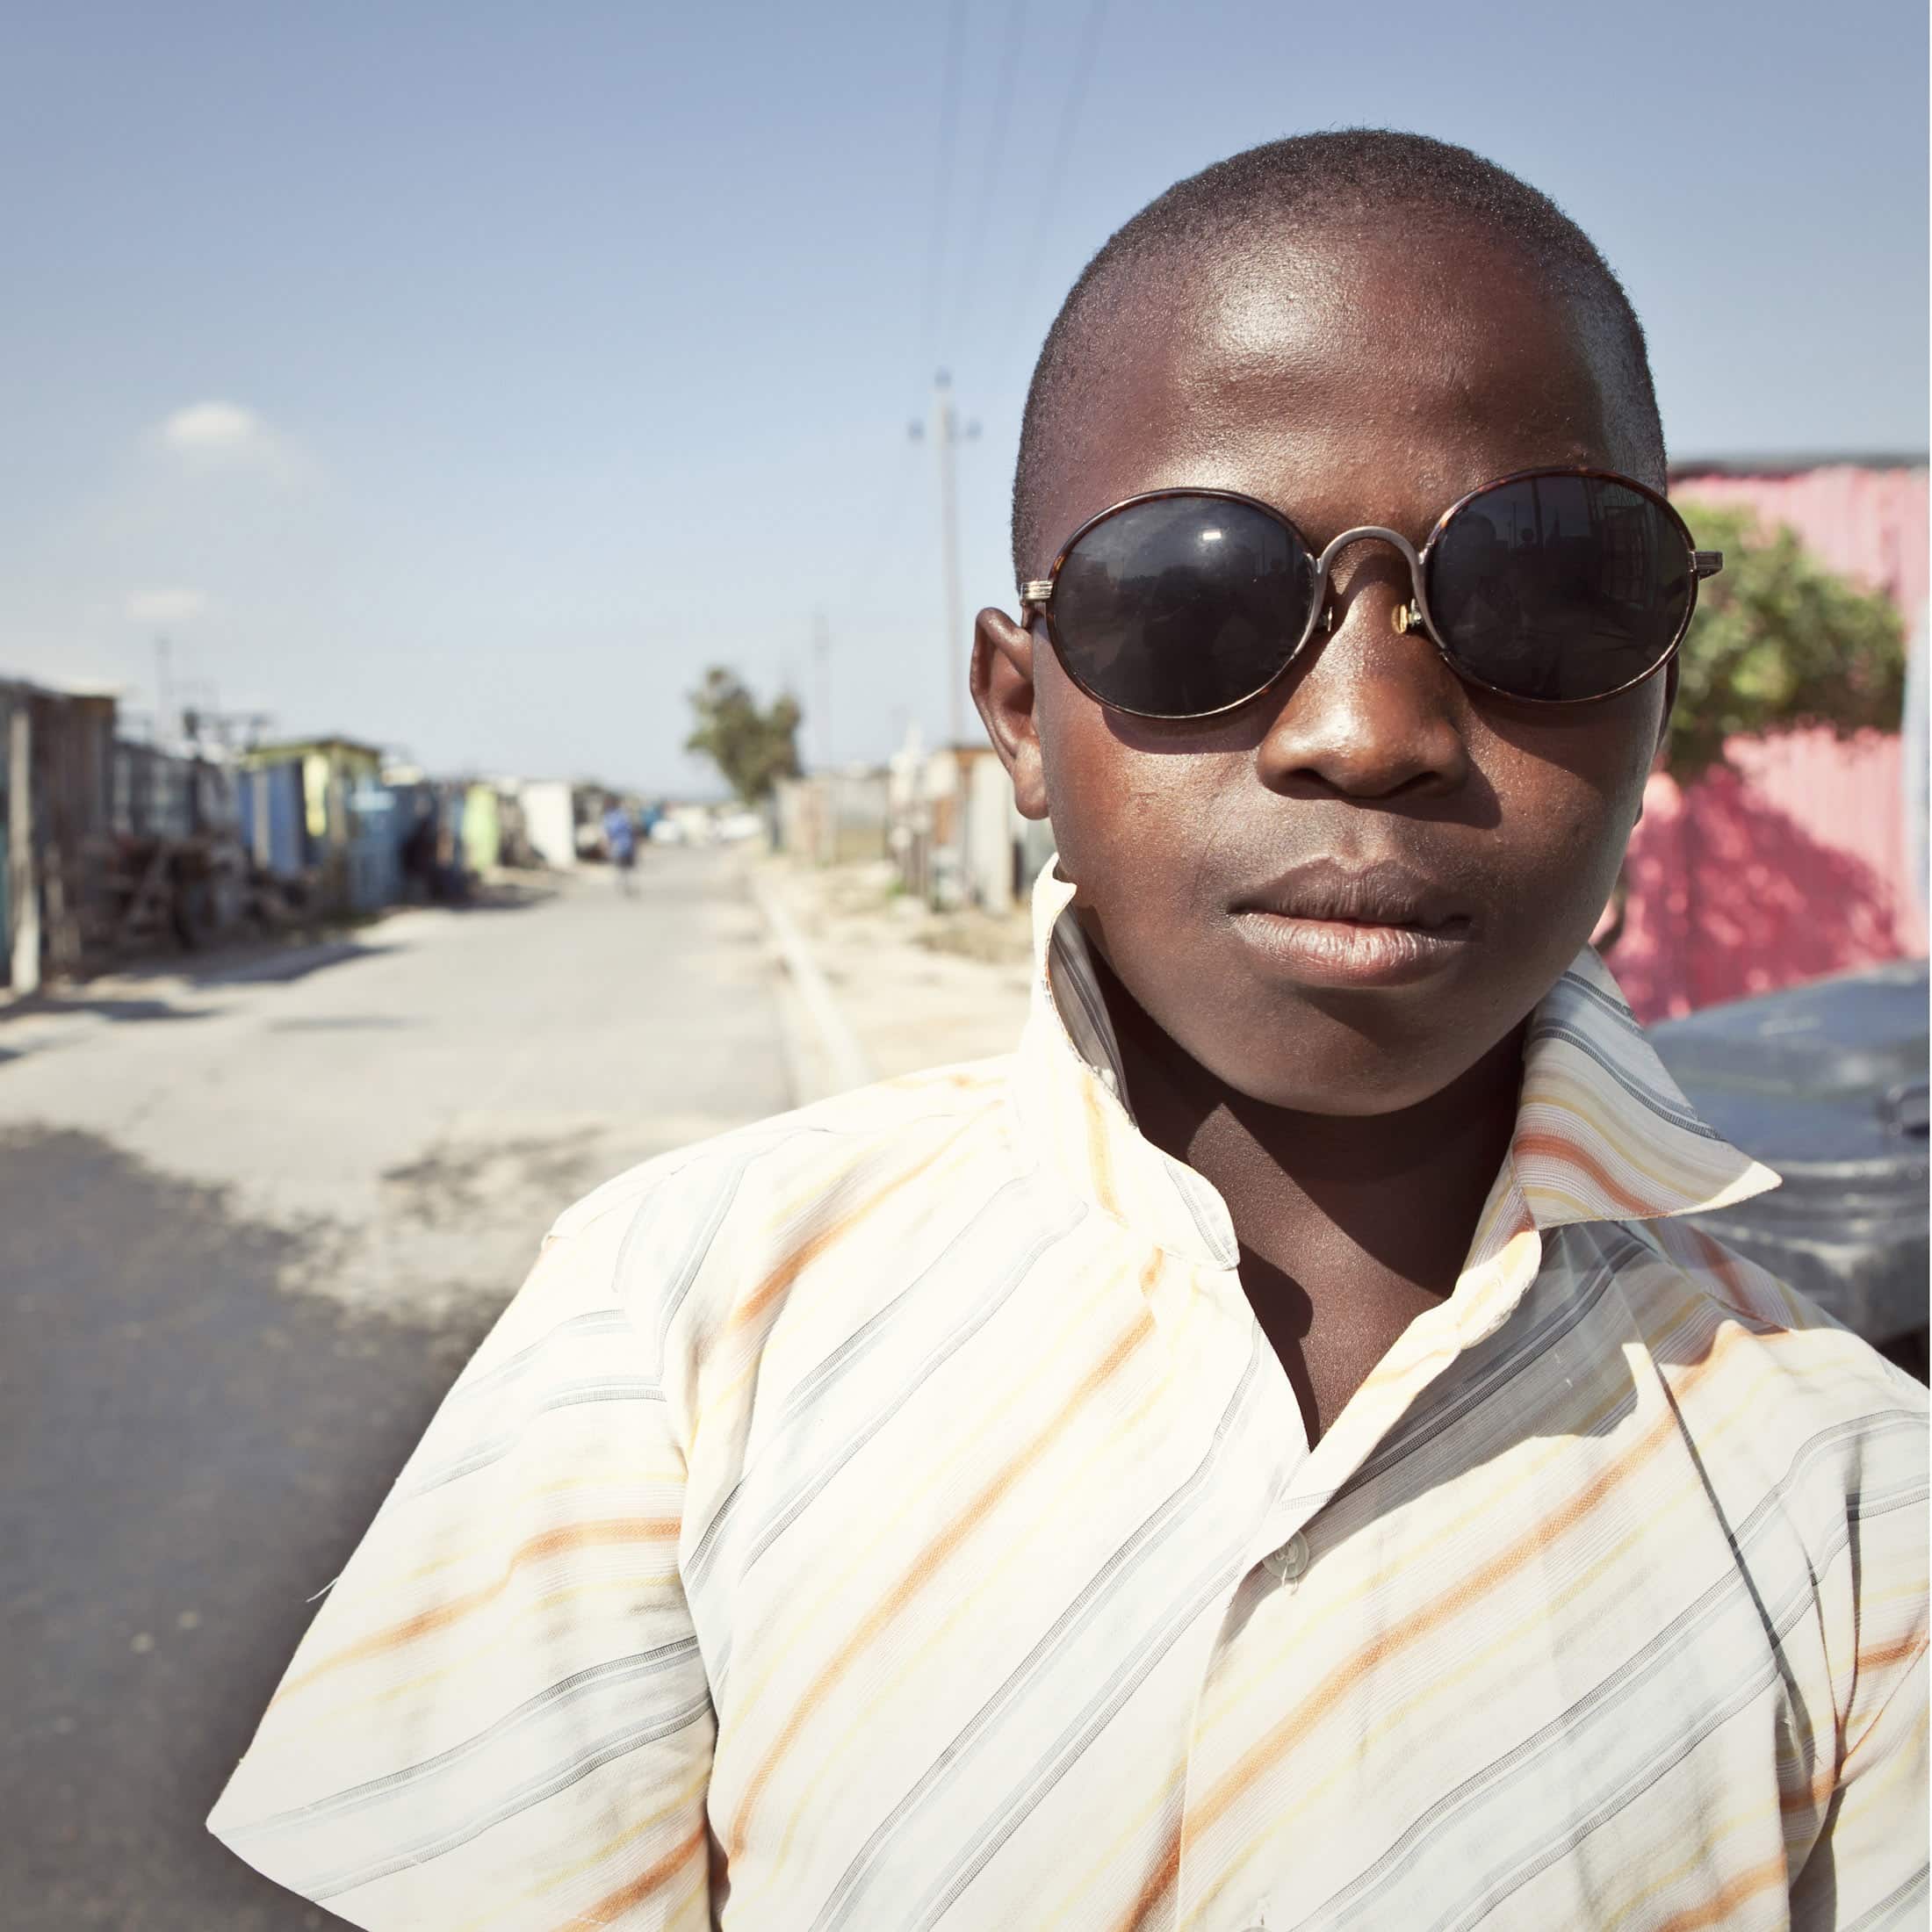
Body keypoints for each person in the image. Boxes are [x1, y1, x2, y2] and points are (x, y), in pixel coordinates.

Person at [208, 133, 1927, 1928]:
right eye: (1192, 596)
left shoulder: (1848, 1493)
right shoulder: (683, 1320)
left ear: (1653, 689)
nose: (1364, 724)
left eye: (1543, 585)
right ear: (1020, 716)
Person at [604, 799, 638, 895]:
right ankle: (626, 884)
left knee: (619, 867)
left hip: (619, 845)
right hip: (627, 845)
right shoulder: (623, 816)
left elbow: (609, 834)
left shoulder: (609, 817)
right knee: (626, 867)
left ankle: (622, 884)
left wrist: (607, 846)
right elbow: (632, 830)